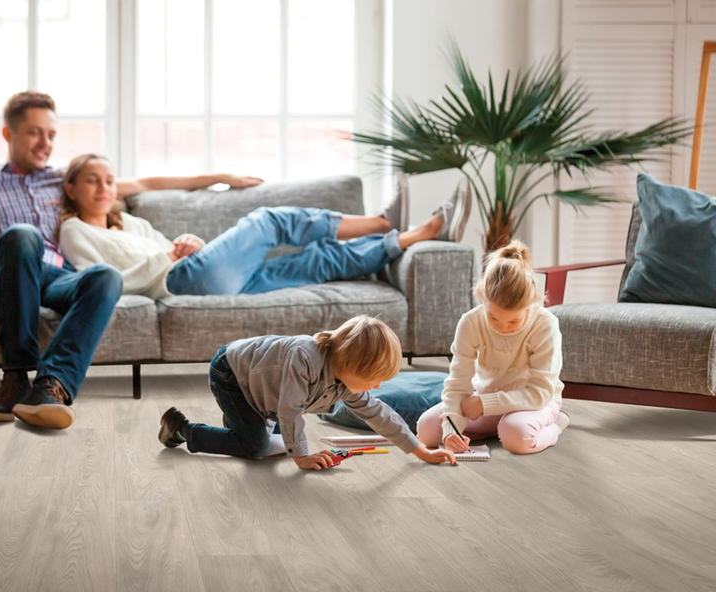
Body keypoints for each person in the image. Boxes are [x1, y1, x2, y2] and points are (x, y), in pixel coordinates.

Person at [0, 91, 261, 428]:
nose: (45, 142)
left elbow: (145, 182)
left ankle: (53, 386)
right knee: (23, 234)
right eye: (35, 132)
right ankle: (15, 376)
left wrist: (219, 177)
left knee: (105, 276)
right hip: (5, 275)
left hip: (55, 276)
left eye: (51, 134)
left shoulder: (62, 179)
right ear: (9, 134)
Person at [57, 154, 457, 299]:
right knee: (268, 220)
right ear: (72, 189)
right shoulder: (74, 231)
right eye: (92, 180)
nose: (104, 188)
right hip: (181, 281)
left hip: (201, 274)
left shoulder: (130, 222)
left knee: (316, 262)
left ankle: (407, 236)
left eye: (109, 180)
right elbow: (97, 282)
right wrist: (168, 256)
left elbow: (170, 245)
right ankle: (381, 221)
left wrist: (187, 241)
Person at [158, 315, 457, 469]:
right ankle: (182, 429)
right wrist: (301, 456)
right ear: (351, 365)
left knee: (270, 443)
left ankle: (241, 425)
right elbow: (289, 411)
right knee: (257, 448)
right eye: (373, 379)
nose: (377, 387)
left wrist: (422, 452)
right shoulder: (305, 357)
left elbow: (380, 414)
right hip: (232, 374)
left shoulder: (347, 383)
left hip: (265, 390)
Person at [416, 241, 570, 455]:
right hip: (485, 398)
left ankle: (553, 425)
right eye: (493, 318)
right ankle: (498, 427)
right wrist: (452, 430)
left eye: (513, 322)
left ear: (532, 303)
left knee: (517, 438)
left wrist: (484, 404)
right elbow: (457, 384)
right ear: (482, 296)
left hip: (535, 402)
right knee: (426, 430)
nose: (503, 328)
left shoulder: (546, 324)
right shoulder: (470, 322)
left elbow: (539, 393)